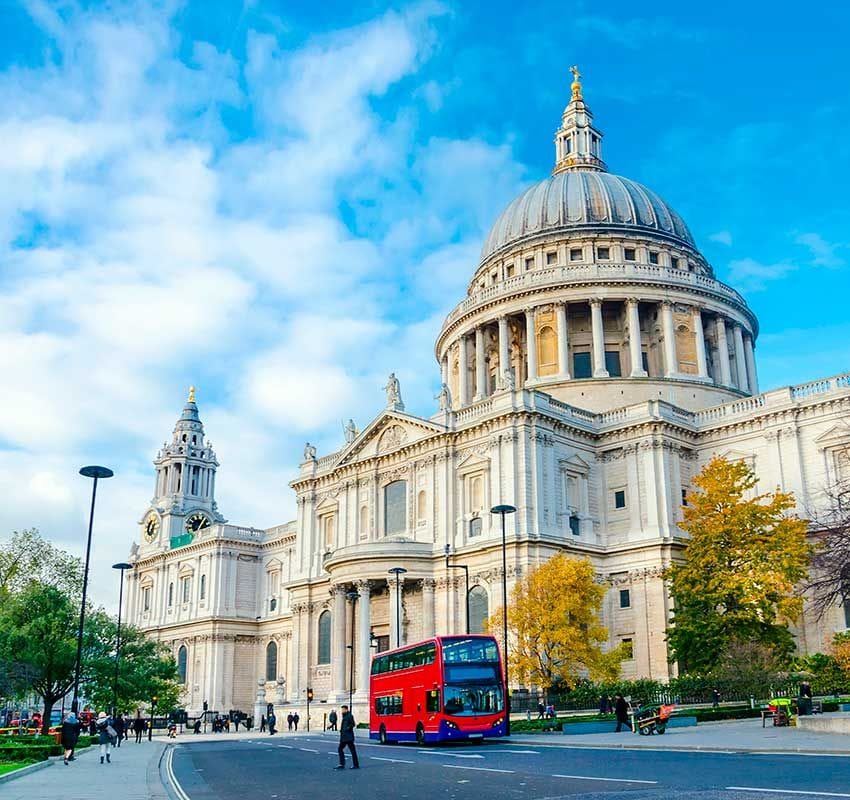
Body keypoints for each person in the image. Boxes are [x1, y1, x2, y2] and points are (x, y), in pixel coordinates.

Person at [334, 705, 359, 770]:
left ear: (346, 709)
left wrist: (347, 729)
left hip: (348, 737)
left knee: (352, 751)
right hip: (344, 737)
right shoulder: (345, 716)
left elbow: (353, 724)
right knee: (340, 749)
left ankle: (355, 765)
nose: (342, 711)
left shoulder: (349, 716)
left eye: (343, 710)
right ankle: (342, 764)